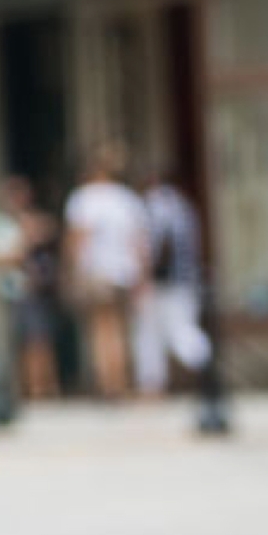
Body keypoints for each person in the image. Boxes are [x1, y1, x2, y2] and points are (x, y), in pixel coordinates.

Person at [62, 143, 151, 399]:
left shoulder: (84, 199)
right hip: (124, 271)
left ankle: (108, 383)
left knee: (101, 328)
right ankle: (120, 380)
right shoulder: (126, 199)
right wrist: (142, 275)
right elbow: (139, 242)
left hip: (97, 270)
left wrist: (72, 270)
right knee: (120, 327)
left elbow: (78, 239)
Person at [0, 174, 62, 401]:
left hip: (37, 288)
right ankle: (30, 388)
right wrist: (24, 243)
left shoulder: (31, 219)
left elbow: (50, 233)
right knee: (24, 341)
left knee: (41, 339)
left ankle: (47, 386)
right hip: (13, 291)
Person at [134, 170, 212, 395]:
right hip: (184, 279)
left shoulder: (158, 206)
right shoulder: (185, 207)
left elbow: (155, 247)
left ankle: (202, 365)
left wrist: (144, 276)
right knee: (168, 331)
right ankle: (156, 383)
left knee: (167, 333)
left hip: (165, 282)